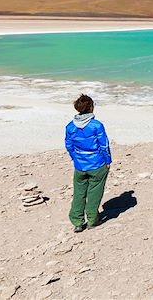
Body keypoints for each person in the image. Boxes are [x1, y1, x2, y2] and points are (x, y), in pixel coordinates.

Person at [65, 94, 112, 232]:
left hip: (80, 165)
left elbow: (69, 145)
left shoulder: (70, 126)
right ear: (91, 107)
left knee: (79, 193)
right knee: (95, 192)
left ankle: (77, 222)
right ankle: (92, 220)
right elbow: (104, 145)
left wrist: (76, 158)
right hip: (97, 164)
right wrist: (108, 161)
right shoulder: (96, 125)